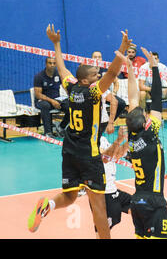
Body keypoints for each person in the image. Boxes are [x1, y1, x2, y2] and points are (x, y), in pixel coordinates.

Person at [27, 24, 133, 239]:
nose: (98, 75)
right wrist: (122, 50)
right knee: (100, 210)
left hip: (69, 150)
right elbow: (113, 73)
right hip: (89, 155)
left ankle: (48, 204)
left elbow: (61, 67)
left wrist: (56, 43)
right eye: (95, 74)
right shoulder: (93, 93)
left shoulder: (72, 87)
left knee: (70, 197)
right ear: (86, 80)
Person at [121, 47, 167, 239]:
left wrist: (130, 69)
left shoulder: (133, 138)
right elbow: (157, 98)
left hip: (137, 202)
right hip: (154, 203)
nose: (146, 112)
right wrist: (155, 68)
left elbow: (133, 98)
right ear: (145, 123)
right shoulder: (150, 134)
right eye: (145, 114)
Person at [88, 130, 132, 238]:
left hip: (112, 191)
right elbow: (105, 158)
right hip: (103, 195)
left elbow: (117, 155)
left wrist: (130, 140)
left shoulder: (102, 138)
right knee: (103, 232)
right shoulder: (89, 141)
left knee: (140, 208)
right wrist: (119, 139)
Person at [138, 52, 167, 128]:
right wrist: (154, 90)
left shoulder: (163, 68)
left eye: (155, 59)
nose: (154, 61)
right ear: (149, 60)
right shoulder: (143, 68)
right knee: (142, 93)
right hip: (149, 91)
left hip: (162, 91)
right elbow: (141, 86)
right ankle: (143, 117)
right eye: (152, 59)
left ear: (158, 60)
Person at [33, 56, 70, 138]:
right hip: (42, 100)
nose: (52, 65)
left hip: (57, 100)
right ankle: (48, 132)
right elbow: (38, 94)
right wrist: (52, 101)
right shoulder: (39, 76)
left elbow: (65, 86)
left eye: (54, 63)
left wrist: (70, 94)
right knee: (45, 105)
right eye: (50, 63)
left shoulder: (58, 74)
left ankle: (61, 127)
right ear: (46, 64)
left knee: (71, 105)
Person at [92, 50, 127, 120]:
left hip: (105, 94)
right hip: (92, 94)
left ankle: (110, 121)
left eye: (99, 57)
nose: (97, 59)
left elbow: (116, 82)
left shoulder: (106, 69)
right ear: (91, 58)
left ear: (101, 59)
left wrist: (114, 92)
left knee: (121, 103)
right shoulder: (88, 69)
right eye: (95, 57)